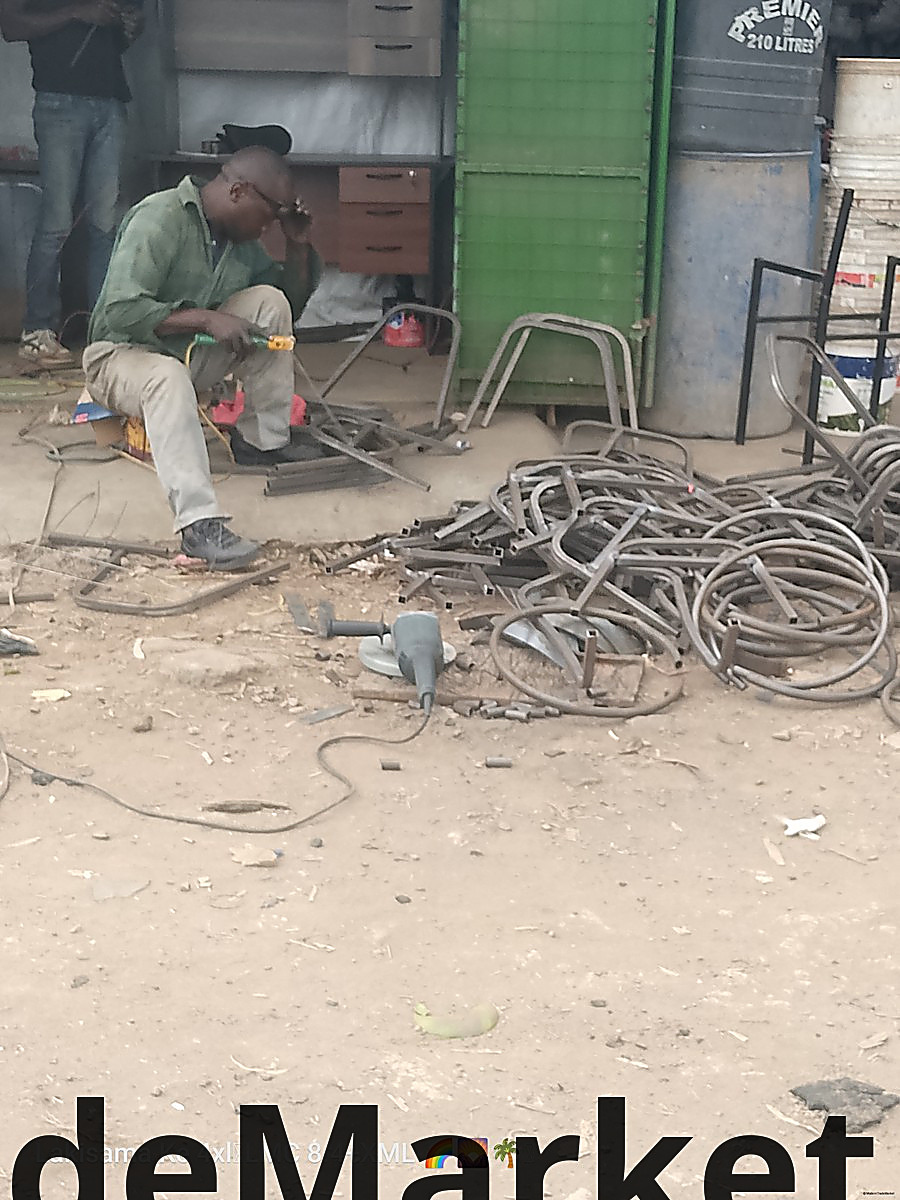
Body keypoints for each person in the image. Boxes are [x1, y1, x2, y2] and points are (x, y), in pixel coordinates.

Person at [83, 146, 324, 571]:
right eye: (267, 215)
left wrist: (297, 244)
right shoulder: (160, 217)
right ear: (238, 192)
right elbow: (119, 309)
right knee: (166, 376)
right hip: (119, 357)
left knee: (270, 303)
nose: (268, 226)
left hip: (187, 354)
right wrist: (208, 318)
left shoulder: (239, 243)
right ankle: (198, 527)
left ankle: (260, 443)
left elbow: (288, 311)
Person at [0, 0, 143, 366]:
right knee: (57, 222)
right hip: (58, 102)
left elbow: (122, 38)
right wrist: (78, 12)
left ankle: (106, 331)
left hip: (111, 101)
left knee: (106, 225)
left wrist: (127, 25)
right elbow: (11, 25)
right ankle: (36, 331)